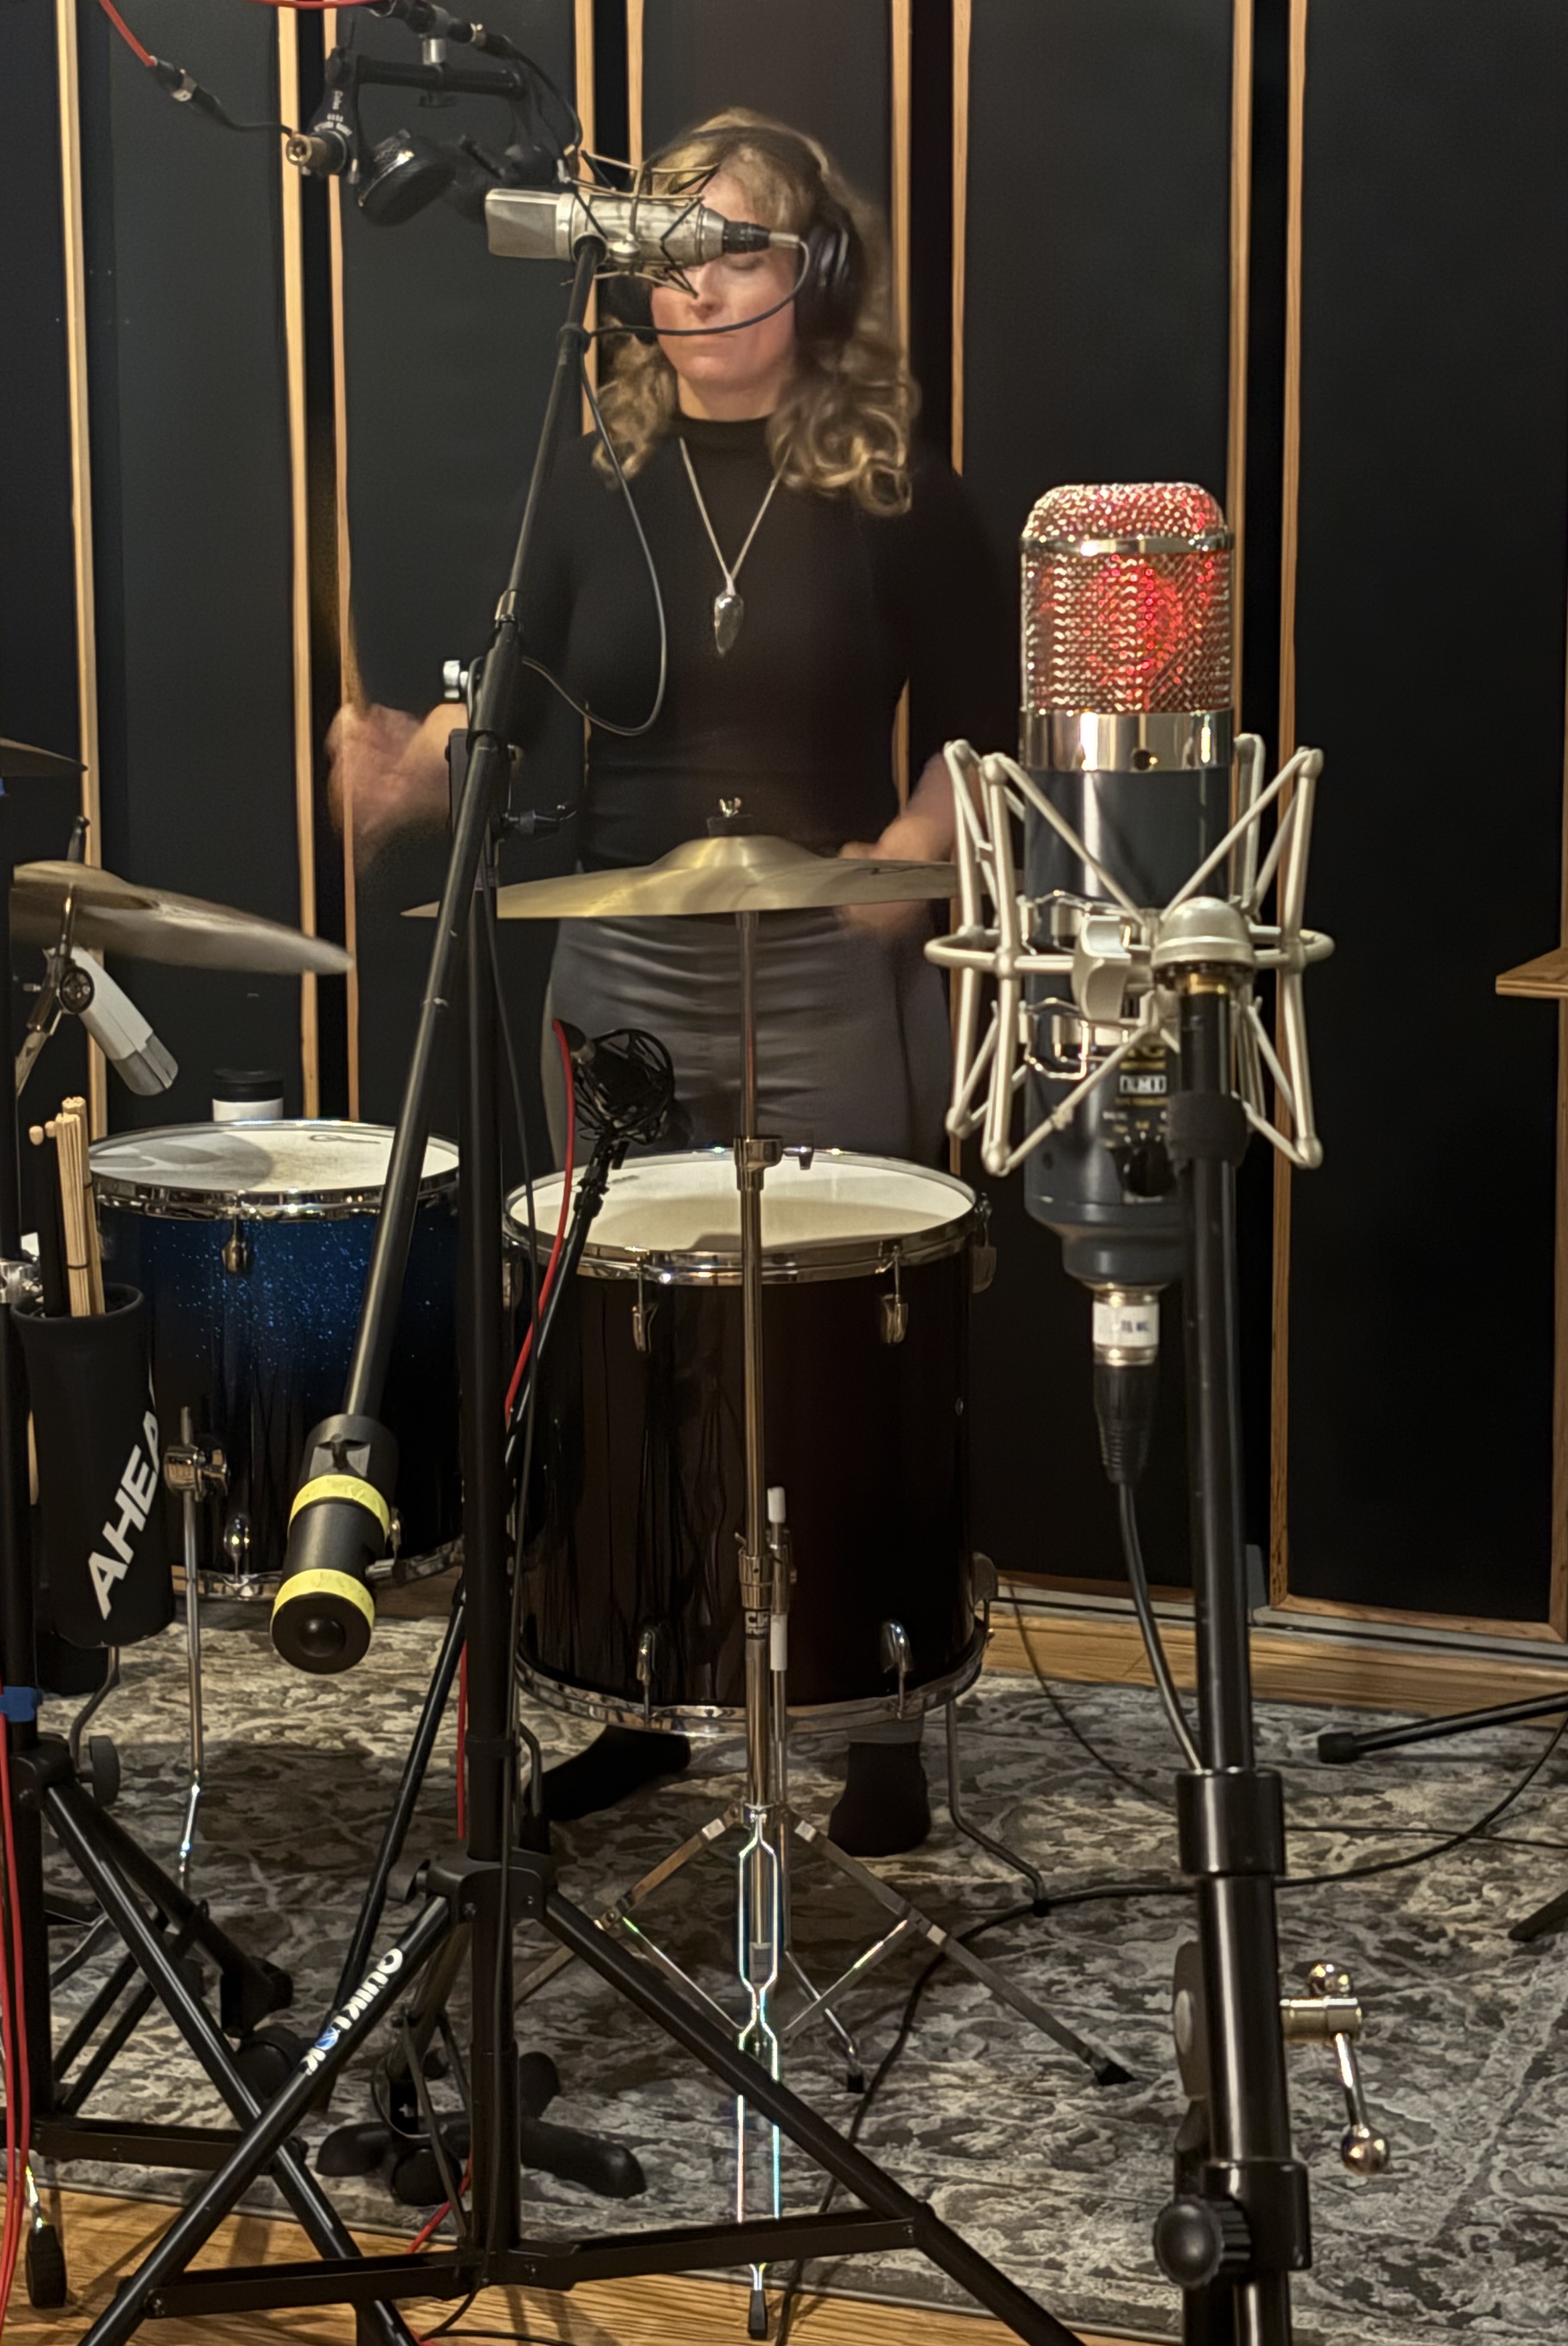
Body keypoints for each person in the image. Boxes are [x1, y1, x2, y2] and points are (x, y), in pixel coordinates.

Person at [328, 111, 1015, 1854]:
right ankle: (641, 1692)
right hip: (621, 954)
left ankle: (872, 1715)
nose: (692, 283)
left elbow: (982, 726)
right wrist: (413, 767)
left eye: (734, 247)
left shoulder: (894, 485)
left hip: (825, 960)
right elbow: (511, 691)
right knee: (619, 1354)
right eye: (670, 250)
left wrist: (912, 847)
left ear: (817, 272)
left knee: (839, 1348)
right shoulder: (589, 473)